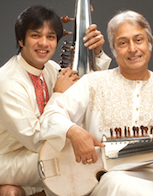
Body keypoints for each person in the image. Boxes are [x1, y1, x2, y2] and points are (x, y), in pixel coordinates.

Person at [39, 10, 153, 196]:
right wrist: (73, 131)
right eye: (123, 43)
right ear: (113, 50)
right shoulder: (93, 83)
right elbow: (50, 116)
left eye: (138, 40)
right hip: (112, 177)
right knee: (124, 188)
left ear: (149, 43)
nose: (132, 49)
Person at [0, 5, 111, 196]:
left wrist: (97, 53)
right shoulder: (8, 81)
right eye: (36, 35)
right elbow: (35, 138)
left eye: (50, 37)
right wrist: (58, 95)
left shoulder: (50, 68)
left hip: (36, 156)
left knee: (82, 156)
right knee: (76, 160)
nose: (44, 43)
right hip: (10, 159)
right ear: (21, 39)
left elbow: (90, 92)